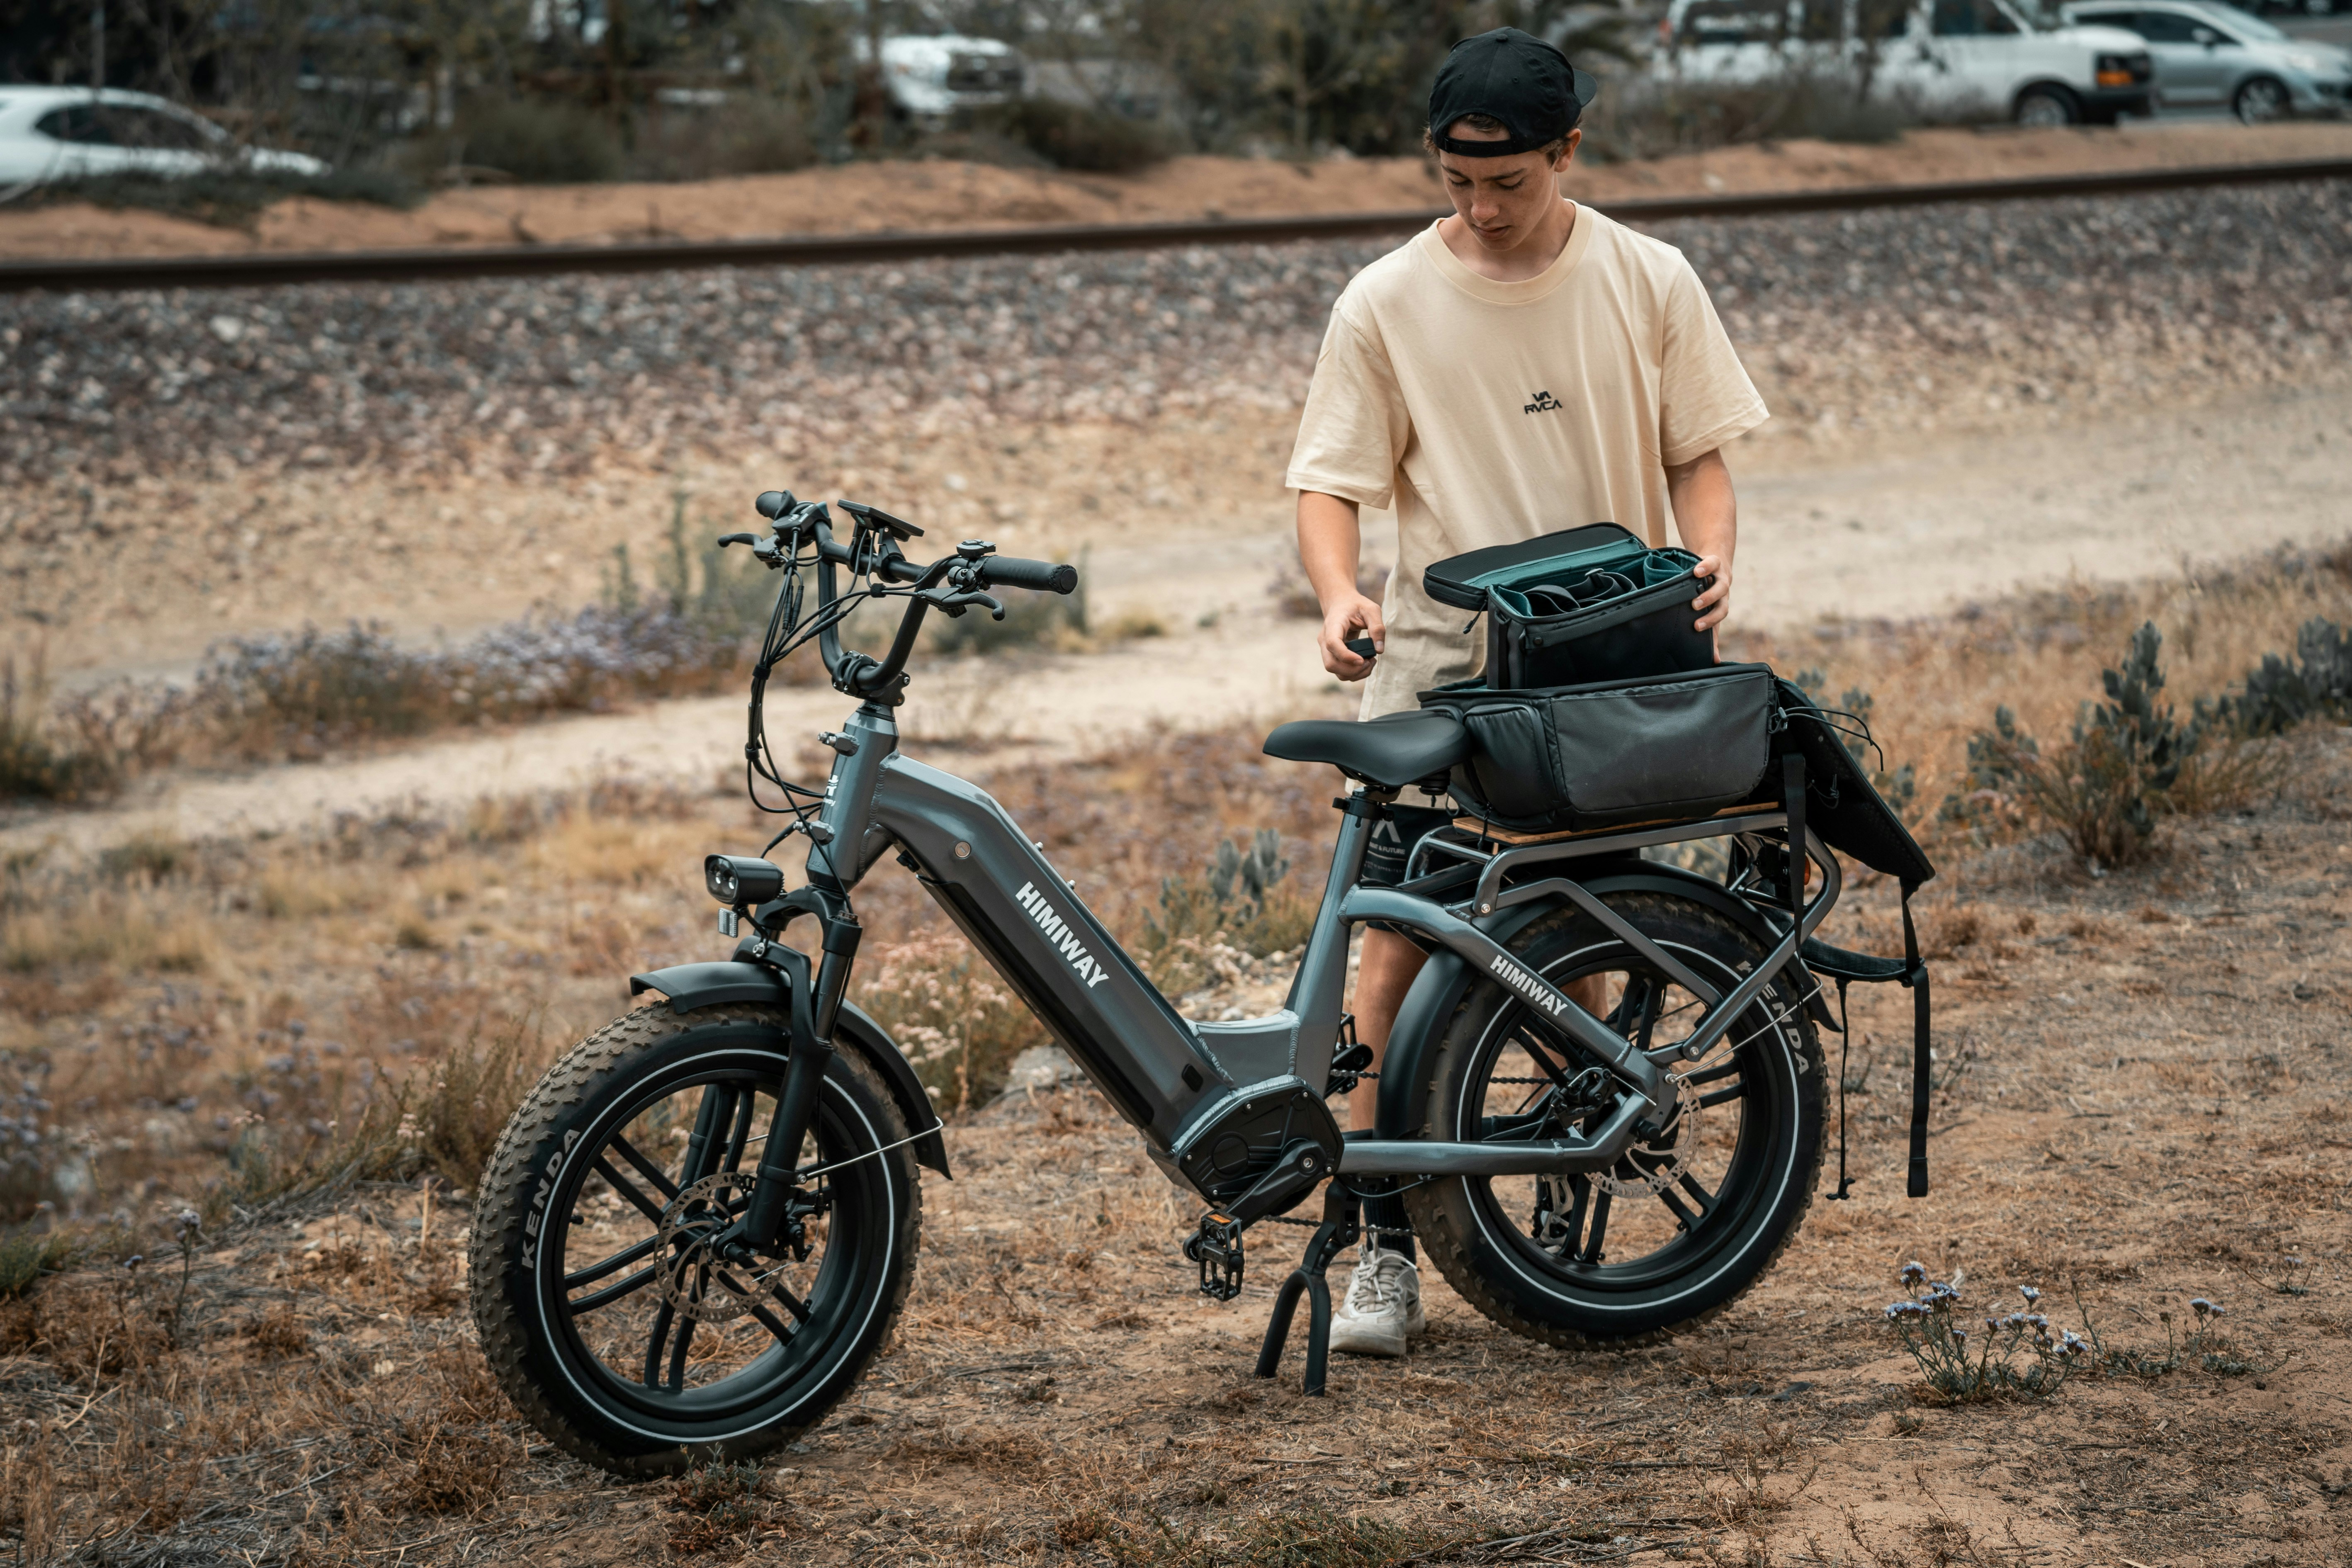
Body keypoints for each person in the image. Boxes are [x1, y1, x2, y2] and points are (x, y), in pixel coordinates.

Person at [1286, 27, 1767, 1358]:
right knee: (1386, 954)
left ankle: (1563, 1222)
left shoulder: (1650, 278)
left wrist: (1715, 558)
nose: (1481, 211)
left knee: (1579, 957)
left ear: (1569, 151)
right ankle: (1380, 1246)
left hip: (1620, 673)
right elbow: (1329, 481)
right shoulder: (1384, 300)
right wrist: (1340, 593)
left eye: (1506, 183)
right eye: (1456, 184)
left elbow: (1701, 459)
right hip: (1448, 680)